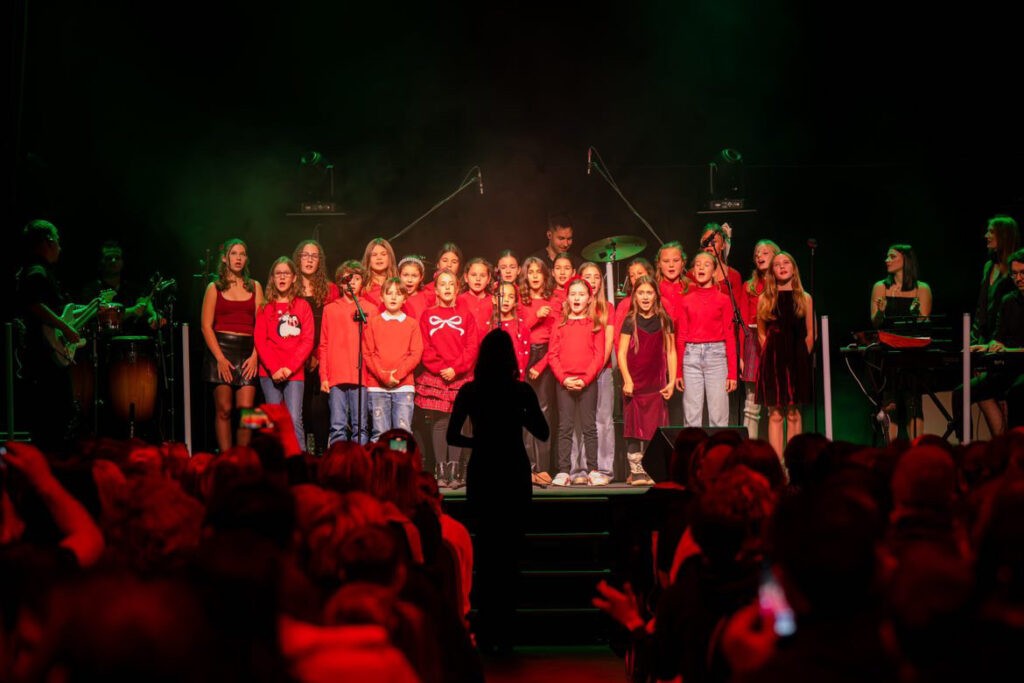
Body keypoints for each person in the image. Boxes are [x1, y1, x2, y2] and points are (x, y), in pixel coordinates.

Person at [447, 328, 548, 654]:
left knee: (487, 552)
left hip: (484, 470)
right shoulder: (521, 391)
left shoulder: (470, 391)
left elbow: (452, 436)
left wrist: (479, 441)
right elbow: (543, 432)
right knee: (510, 553)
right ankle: (507, 630)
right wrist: (518, 416)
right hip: (513, 470)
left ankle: (487, 627)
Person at [14, 220, 86, 451]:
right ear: (49, 241)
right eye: (58, 242)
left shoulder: (35, 270)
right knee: (54, 420)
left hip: (42, 357)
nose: (60, 248)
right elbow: (34, 304)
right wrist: (65, 328)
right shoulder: (37, 272)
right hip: (44, 359)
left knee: (51, 421)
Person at [416, 270, 479, 487]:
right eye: (443, 284)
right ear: (436, 289)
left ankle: (454, 471)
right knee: (440, 423)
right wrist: (442, 368)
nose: (447, 288)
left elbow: (472, 347)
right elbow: (425, 347)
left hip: (460, 375)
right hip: (438, 376)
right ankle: (441, 471)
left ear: (457, 288)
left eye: (451, 284)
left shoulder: (466, 315)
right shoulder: (427, 315)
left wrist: (456, 368)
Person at [200, 238, 263, 453]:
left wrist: (255, 355)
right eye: (234, 253)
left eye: (242, 254)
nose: (238, 258)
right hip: (221, 350)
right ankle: (227, 459)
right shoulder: (214, 287)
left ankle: (243, 458)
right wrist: (220, 358)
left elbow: (262, 325)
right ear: (225, 258)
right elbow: (206, 326)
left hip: (248, 351)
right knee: (224, 409)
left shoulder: (255, 286)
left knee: (247, 410)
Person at [953, 247, 1024, 437]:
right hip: (1009, 368)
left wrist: (1008, 350)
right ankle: (965, 447)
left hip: (1021, 370)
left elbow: (1010, 348)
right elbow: (999, 338)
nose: (1018, 278)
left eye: (1022, 273)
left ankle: (1015, 447)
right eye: (1015, 274)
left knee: (1016, 392)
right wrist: (985, 346)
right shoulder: (1008, 301)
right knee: (961, 393)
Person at [869, 244, 933, 440]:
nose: (886, 260)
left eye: (892, 256)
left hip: (912, 355)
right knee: (890, 404)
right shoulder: (881, 287)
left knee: (914, 403)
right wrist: (881, 312)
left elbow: (924, 323)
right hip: (888, 354)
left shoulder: (922, 288)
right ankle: (891, 450)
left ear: (905, 259)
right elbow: (875, 322)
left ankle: (916, 450)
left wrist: (916, 313)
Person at [548, 277, 606, 486]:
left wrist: (585, 379)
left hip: (586, 383)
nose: (577, 298)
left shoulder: (595, 324)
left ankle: (593, 470)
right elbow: (552, 355)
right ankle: (564, 471)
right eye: (573, 294)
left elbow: (599, 356)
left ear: (589, 298)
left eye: (581, 294)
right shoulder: (559, 324)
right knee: (565, 427)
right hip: (565, 383)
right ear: (567, 298)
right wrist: (564, 379)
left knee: (589, 427)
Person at [618, 276, 675, 486]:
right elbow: (621, 353)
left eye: (649, 293)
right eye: (641, 293)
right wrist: (627, 379)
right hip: (635, 385)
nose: (645, 297)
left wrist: (671, 381)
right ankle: (636, 471)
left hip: (656, 385)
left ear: (656, 296)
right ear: (634, 296)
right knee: (634, 427)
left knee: (655, 428)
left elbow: (671, 351)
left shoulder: (664, 320)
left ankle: (654, 469)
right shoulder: (630, 321)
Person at [756, 252, 814, 457]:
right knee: (775, 413)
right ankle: (777, 462)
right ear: (772, 271)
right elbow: (761, 333)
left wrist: (801, 358)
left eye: (786, 262)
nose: (781, 267)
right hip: (773, 361)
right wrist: (769, 355)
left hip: (797, 359)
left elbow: (810, 334)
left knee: (794, 412)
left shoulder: (804, 298)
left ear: (793, 268)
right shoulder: (765, 298)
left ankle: (793, 460)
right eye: (777, 264)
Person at [253, 257, 314, 450]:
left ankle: (298, 460)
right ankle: (275, 460)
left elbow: (307, 340)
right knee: (273, 420)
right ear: (272, 278)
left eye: (286, 273)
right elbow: (260, 340)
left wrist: (289, 368)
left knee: (294, 418)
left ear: (294, 278)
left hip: (294, 373)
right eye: (278, 273)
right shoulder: (265, 307)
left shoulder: (302, 306)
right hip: (269, 373)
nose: (282, 277)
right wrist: (274, 368)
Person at [676, 252, 738, 428]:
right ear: (693, 271)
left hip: (716, 357)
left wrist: (732, 373)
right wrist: (679, 371)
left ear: (714, 271)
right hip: (691, 357)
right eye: (697, 264)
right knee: (691, 418)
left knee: (718, 417)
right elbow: (681, 336)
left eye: (706, 264)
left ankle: (719, 447)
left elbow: (730, 336)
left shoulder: (724, 300)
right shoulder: (686, 300)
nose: (701, 267)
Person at [972, 215, 1020, 436]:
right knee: (982, 392)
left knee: (1003, 394)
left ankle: (1007, 443)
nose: (986, 236)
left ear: (1004, 235)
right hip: (985, 340)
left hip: (1004, 341)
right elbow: (981, 308)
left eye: (991, 231)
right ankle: (1001, 441)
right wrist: (975, 338)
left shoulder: (1016, 269)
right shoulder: (988, 266)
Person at [292, 239, 340, 454]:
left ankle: (321, 451)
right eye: (305, 255)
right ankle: (303, 452)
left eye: (314, 256)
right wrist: (301, 355)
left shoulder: (331, 289)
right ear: (298, 259)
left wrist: (318, 355)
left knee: (320, 406)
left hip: (322, 355)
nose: (309, 260)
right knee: (299, 406)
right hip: (295, 356)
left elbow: (333, 327)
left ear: (320, 261)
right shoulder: (290, 288)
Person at [364, 278, 424, 442]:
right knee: (379, 433)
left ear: (405, 298)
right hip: (377, 387)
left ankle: (399, 459)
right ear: (381, 297)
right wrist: (384, 376)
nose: (393, 297)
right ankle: (381, 459)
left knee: (401, 434)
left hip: (403, 387)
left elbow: (415, 353)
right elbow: (368, 353)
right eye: (389, 293)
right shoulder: (373, 323)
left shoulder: (411, 324)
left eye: (398, 294)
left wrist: (397, 375)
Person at [320, 260, 372, 446]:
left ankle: (360, 460)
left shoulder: (370, 309)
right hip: (336, 375)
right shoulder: (330, 309)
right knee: (337, 426)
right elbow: (324, 344)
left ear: (362, 282)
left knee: (361, 426)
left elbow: (373, 345)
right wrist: (324, 376)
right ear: (340, 283)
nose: (352, 282)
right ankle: (338, 460)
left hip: (361, 375)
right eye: (347, 279)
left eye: (356, 278)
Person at [577, 262, 616, 485]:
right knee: (579, 422)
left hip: (601, 372)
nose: (592, 281)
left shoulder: (607, 307)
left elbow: (608, 343)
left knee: (603, 420)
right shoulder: (574, 305)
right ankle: (579, 470)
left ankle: (603, 470)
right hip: (578, 374)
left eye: (596, 277)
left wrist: (595, 370)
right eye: (587, 276)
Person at [519, 256, 557, 482]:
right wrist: (535, 316)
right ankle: (528, 467)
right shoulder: (520, 302)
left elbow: (557, 339)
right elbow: (518, 331)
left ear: (545, 275)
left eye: (538, 272)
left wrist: (541, 365)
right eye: (530, 272)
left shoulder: (553, 301)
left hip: (544, 356)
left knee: (543, 411)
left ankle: (542, 467)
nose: (534, 276)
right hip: (524, 353)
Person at [741, 240, 781, 439]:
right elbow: (742, 323)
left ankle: (778, 452)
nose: (759, 256)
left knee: (775, 405)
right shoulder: (749, 286)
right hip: (753, 343)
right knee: (751, 405)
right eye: (757, 253)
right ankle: (750, 450)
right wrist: (741, 356)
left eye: (765, 252)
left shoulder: (782, 284)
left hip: (776, 340)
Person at [487, 281, 531, 380]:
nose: (506, 300)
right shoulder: (489, 326)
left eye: (511, 297)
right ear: (494, 299)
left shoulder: (522, 327)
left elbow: (524, 357)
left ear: (515, 302)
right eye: (502, 295)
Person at [458, 257, 494, 334]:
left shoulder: (494, 301)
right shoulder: (459, 301)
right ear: (466, 277)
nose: (478, 279)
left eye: (482, 275)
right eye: (473, 275)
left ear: (488, 279)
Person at [360, 237, 398, 309]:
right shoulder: (361, 285)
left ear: (390, 257)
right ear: (368, 259)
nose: (379, 258)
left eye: (383, 254)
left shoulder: (398, 284)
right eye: (374, 255)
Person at [396, 255, 431, 321]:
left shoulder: (427, 297)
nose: (409, 280)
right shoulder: (394, 297)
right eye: (405, 275)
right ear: (399, 275)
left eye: (414, 276)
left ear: (421, 277)